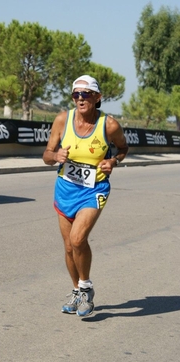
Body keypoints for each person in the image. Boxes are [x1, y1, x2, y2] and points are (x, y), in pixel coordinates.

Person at [43, 75, 128, 317]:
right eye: (76, 94)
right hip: (65, 189)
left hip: (94, 190)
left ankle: (86, 288)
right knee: (69, 246)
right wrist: (56, 156)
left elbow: (123, 149)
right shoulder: (63, 120)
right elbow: (47, 154)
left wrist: (112, 160)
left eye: (86, 94)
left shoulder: (109, 125)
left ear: (97, 97)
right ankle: (76, 290)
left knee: (78, 239)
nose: (80, 98)